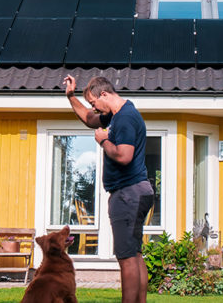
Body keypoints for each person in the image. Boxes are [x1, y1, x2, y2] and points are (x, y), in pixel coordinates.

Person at [64, 74, 154, 303]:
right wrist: (71, 96)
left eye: (94, 102)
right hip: (137, 191)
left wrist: (103, 141)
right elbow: (89, 118)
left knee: (126, 258)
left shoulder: (124, 118)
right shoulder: (116, 115)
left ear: (103, 94)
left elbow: (124, 156)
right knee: (134, 254)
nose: (94, 108)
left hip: (128, 193)